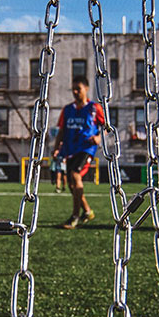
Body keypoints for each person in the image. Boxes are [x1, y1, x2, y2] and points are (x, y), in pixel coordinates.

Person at [52, 76, 105, 229]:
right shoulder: (68, 110)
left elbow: (105, 127)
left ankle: (74, 217)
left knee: (75, 175)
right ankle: (87, 211)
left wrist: (98, 137)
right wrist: (56, 147)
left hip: (86, 148)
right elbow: (62, 131)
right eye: (73, 89)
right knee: (70, 184)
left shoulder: (94, 108)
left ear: (86, 89)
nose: (75, 92)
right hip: (70, 149)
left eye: (78, 89)